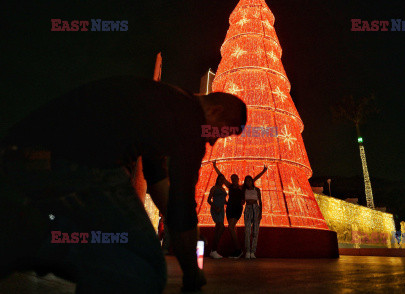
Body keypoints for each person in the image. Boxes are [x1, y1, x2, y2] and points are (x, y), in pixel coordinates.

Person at [0, 75, 247, 292]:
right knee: (145, 268)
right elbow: (181, 206)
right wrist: (192, 271)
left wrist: (186, 245)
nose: (213, 142)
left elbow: (159, 182)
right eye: (221, 133)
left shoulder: (166, 104)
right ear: (214, 112)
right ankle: (30, 239)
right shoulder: (191, 123)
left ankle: (36, 237)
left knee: (119, 256)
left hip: (26, 152)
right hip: (88, 162)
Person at [212, 160, 244, 258]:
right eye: (232, 178)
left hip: (237, 209)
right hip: (229, 209)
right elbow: (221, 177)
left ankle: (239, 250)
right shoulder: (229, 186)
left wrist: (264, 171)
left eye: (235, 178)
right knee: (232, 228)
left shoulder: (242, 187)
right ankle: (236, 250)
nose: (234, 180)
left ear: (238, 179)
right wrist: (215, 166)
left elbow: (252, 180)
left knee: (230, 227)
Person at [243, 166, 267, 259]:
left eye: (250, 180)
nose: (248, 182)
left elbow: (260, 201)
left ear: (252, 181)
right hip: (248, 208)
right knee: (247, 231)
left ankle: (253, 251)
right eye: (247, 181)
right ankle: (247, 251)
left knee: (255, 231)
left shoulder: (256, 189)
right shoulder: (244, 189)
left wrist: (260, 212)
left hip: (256, 208)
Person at [206, 175, 227, 259]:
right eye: (220, 179)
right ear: (217, 179)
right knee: (221, 227)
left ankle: (213, 250)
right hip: (216, 209)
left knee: (219, 229)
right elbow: (208, 199)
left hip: (221, 210)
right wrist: (215, 207)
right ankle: (213, 250)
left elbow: (224, 200)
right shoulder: (214, 188)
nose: (221, 180)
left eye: (223, 179)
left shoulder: (223, 189)